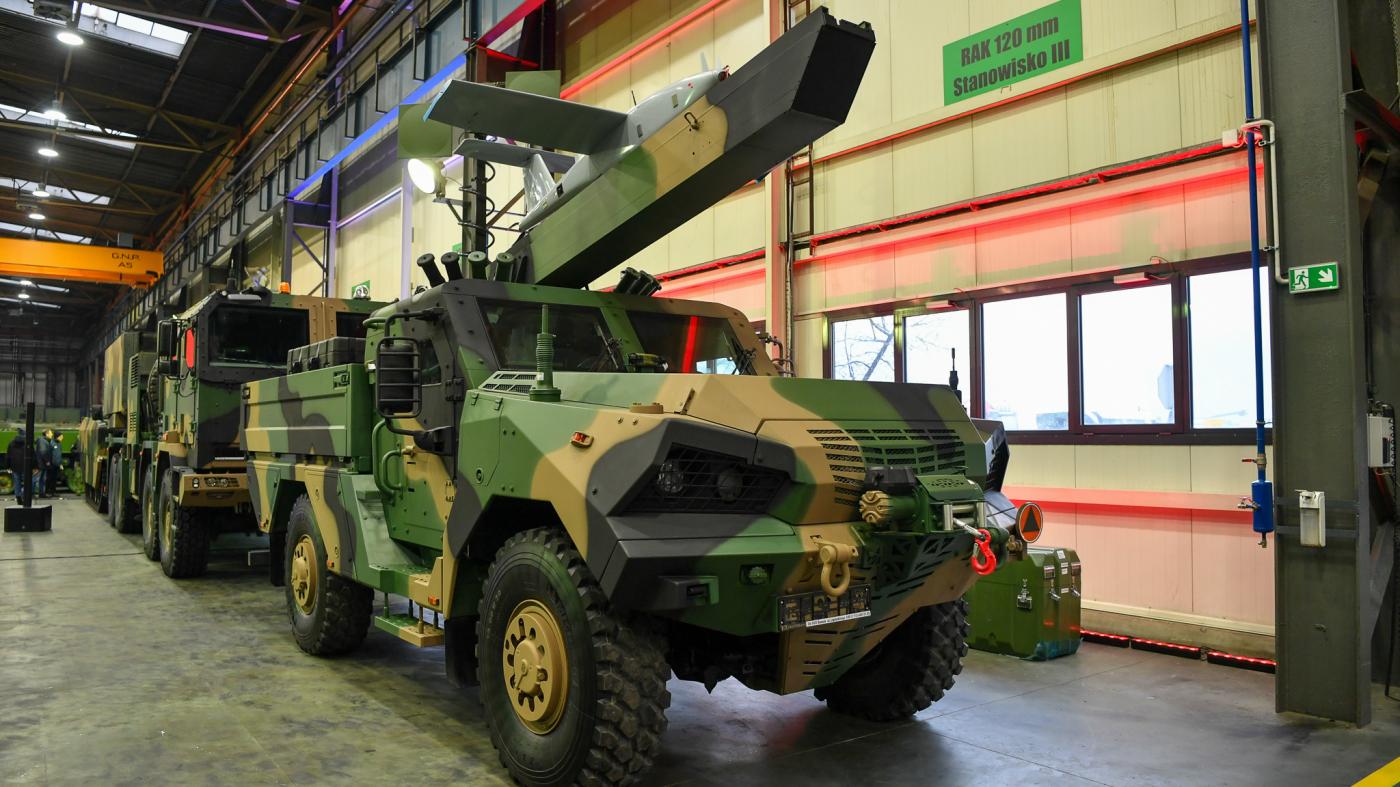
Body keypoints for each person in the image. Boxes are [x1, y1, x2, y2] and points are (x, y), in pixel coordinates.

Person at [6, 428, 29, 504]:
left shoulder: (11, 443)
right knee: (27, 482)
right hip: (25, 466)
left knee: (17, 482)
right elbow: (32, 455)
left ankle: (18, 496)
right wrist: (34, 466)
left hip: (14, 466)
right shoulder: (27, 443)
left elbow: (8, 456)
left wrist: (8, 466)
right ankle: (23, 495)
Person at [35, 429, 54, 500]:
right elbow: (43, 452)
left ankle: (41, 493)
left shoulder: (43, 441)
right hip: (42, 464)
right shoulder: (43, 441)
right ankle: (40, 493)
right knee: (40, 479)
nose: (52, 434)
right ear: (46, 434)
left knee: (41, 479)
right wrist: (47, 461)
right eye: (51, 433)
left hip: (41, 463)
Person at [47, 430, 63, 497]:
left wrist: (60, 464)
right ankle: (50, 492)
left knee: (54, 479)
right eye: (61, 436)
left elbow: (59, 455)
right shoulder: (52, 444)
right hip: (52, 464)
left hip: (56, 464)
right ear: (57, 437)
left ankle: (53, 492)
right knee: (51, 478)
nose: (62, 438)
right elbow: (50, 454)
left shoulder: (59, 444)